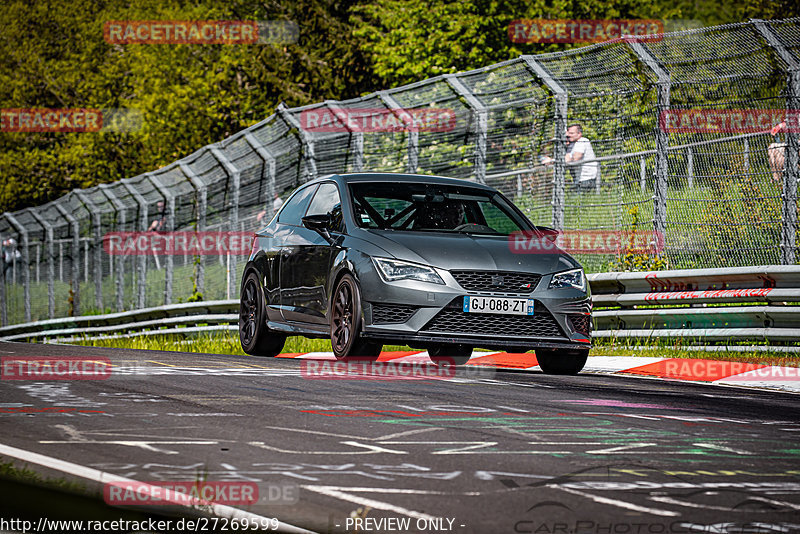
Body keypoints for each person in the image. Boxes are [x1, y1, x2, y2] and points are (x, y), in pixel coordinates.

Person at [540, 124, 599, 191]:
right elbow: (567, 159)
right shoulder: (572, 144)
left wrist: (552, 161)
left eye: (572, 133)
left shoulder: (582, 141)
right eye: (568, 133)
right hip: (578, 179)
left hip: (587, 179)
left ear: (579, 134)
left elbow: (575, 158)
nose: (569, 135)